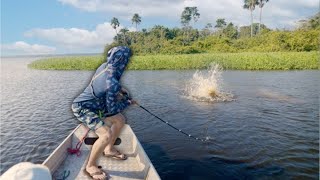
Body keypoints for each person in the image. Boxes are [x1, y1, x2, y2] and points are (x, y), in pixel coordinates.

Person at [71, 46, 136, 180]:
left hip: (98, 104)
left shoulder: (105, 66)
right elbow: (113, 108)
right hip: (83, 107)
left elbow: (108, 85)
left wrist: (120, 89)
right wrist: (128, 103)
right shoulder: (111, 83)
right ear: (123, 61)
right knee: (106, 134)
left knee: (120, 120)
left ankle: (109, 149)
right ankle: (90, 166)